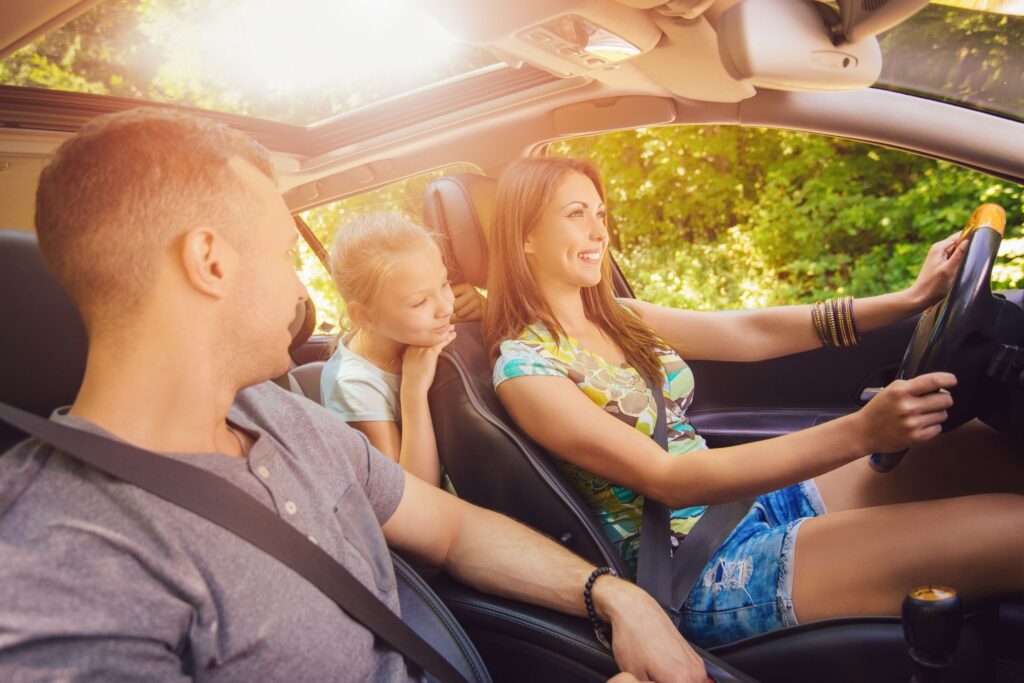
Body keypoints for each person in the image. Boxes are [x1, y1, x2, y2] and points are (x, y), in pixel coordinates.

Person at [0, 110, 706, 683]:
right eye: (284, 253)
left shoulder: (279, 416)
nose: (298, 290)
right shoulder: (55, 567)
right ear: (209, 262)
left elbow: (452, 529)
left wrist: (615, 595)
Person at [484, 156, 1024, 648]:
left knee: (988, 450)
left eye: (600, 213)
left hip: (746, 506)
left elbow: (751, 333)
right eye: (576, 214)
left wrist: (910, 298)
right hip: (703, 572)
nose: (599, 231)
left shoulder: (621, 317)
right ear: (525, 236)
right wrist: (862, 431)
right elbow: (669, 479)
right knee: (1013, 530)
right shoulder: (526, 370)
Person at [321, 213, 478, 486]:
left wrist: (483, 313)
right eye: (419, 302)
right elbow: (413, 493)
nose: (445, 307)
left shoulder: (417, 324)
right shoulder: (353, 386)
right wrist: (413, 391)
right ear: (364, 316)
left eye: (444, 283)